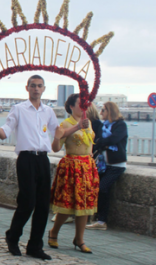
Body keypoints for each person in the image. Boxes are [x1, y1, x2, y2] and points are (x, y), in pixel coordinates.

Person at [0, 75, 59, 260]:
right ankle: (13, 236)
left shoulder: (48, 111)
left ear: (44, 89)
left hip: (43, 159)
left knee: (43, 205)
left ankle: (35, 246)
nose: (36, 89)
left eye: (39, 86)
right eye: (33, 86)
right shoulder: (18, 109)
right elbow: (5, 134)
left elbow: (57, 133)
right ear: (27, 88)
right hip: (26, 159)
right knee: (27, 202)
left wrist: (77, 127)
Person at [48, 94, 98, 254]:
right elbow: (56, 147)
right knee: (67, 204)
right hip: (72, 167)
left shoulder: (88, 123)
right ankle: (54, 231)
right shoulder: (65, 124)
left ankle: (79, 239)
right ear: (71, 106)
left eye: (85, 104)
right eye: (80, 104)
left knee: (85, 204)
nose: (84, 107)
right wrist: (60, 135)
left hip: (87, 166)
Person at [87, 102, 127, 231]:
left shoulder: (120, 125)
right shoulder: (102, 126)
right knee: (94, 187)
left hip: (116, 165)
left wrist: (101, 142)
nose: (101, 112)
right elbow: (97, 142)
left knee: (103, 187)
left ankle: (102, 220)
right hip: (103, 164)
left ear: (110, 111)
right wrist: (101, 142)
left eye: (103, 110)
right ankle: (95, 217)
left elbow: (113, 140)